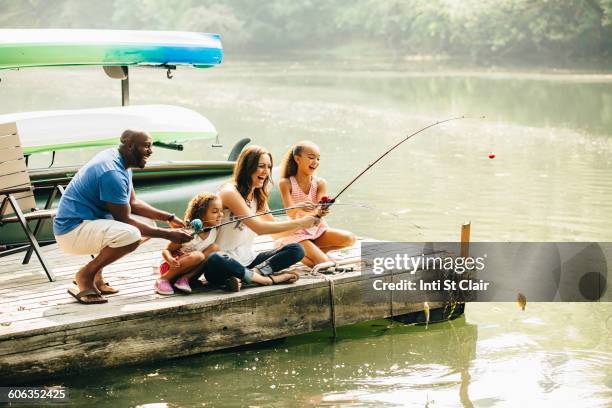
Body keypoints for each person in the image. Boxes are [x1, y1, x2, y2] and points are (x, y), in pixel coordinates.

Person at [54, 130, 192, 304]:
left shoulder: (121, 161)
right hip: (72, 231)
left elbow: (132, 203)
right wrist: (168, 234)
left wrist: (169, 218)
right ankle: (85, 275)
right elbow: (125, 220)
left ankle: (97, 274)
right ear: (130, 145)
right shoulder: (111, 172)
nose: (151, 151)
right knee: (131, 234)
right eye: (147, 146)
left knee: (147, 224)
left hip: (88, 224)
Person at [202, 145, 320, 291]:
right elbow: (259, 228)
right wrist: (300, 223)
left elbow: (276, 233)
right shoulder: (229, 192)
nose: (266, 172)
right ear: (247, 167)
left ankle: (252, 276)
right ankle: (268, 279)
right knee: (214, 258)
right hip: (223, 264)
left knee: (296, 249)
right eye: (261, 166)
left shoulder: (259, 196)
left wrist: (311, 218)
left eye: (269, 167)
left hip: (249, 262)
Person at [277, 141, 355, 267]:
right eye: (311, 157)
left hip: (318, 230)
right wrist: (300, 206)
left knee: (350, 238)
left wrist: (322, 210)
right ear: (297, 159)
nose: (316, 162)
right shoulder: (285, 183)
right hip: (298, 233)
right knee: (326, 264)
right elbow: (290, 213)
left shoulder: (320, 183)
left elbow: (319, 207)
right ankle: (304, 254)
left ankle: (311, 252)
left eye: (318, 159)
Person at [155, 192, 222, 295]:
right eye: (215, 212)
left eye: (221, 211)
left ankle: (184, 279)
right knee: (198, 256)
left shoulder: (214, 230)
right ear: (202, 216)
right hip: (172, 268)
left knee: (215, 249)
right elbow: (166, 250)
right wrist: (170, 260)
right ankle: (163, 280)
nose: (220, 214)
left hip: (188, 270)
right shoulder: (188, 233)